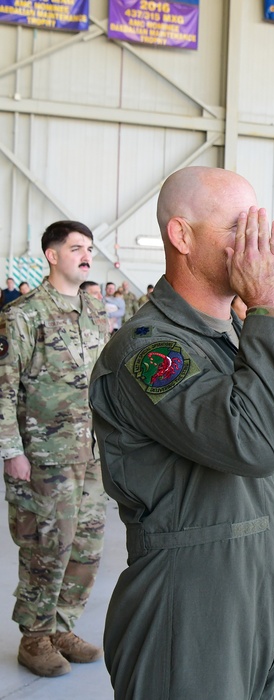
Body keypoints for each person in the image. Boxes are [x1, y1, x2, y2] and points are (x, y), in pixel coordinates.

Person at [89, 166, 274, 699]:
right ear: (182, 236)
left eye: (259, 228)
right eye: (237, 229)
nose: (255, 246)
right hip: (188, 608)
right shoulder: (150, 351)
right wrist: (268, 307)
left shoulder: (231, 336)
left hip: (256, 592)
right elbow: (255, 444)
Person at [0, 220, 109, 677]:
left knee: (86, 546)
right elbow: (3, 389)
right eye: (76, 248)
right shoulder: (23, 314)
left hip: (92, 453)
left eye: (89, 248)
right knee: (49, 546)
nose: (86, 255)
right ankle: (35, 637)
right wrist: (11, 452)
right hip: (45, 456)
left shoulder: (94, 310)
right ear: (52, 255)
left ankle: (63, 626)